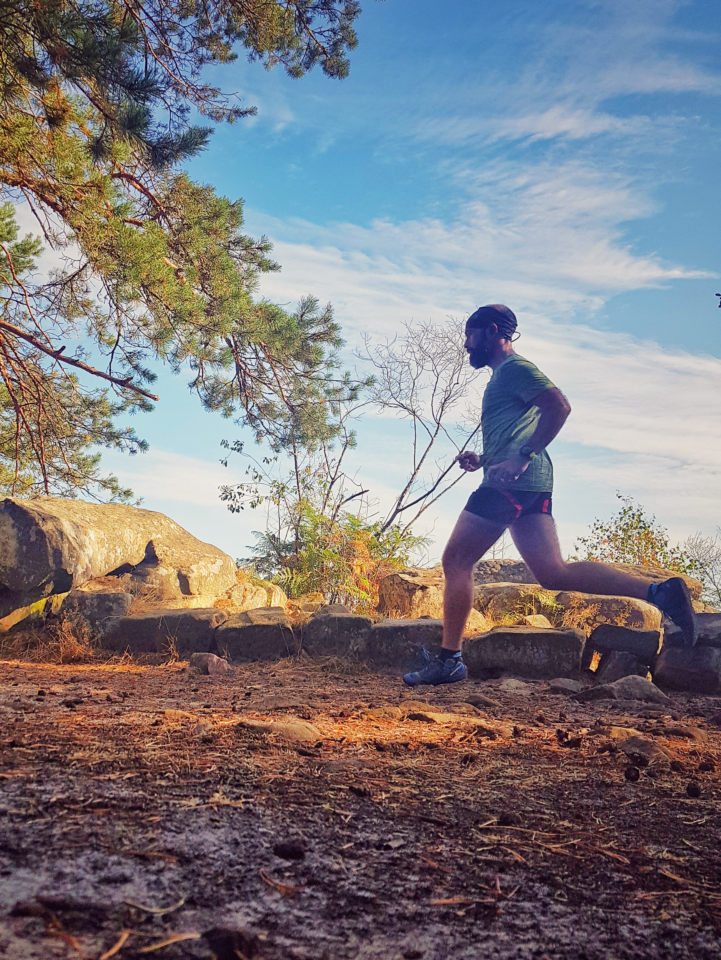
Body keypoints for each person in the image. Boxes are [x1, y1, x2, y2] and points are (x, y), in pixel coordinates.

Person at [403, 304, 697, 686]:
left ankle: (449, 660)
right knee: (552, 573)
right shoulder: (504, 376)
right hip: (528, 481)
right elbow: (522, 427)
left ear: (492, 331)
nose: (465, 344)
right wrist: (485, 458)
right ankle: (660, 592)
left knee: (456, 559)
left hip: (511, 484)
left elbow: (558, 406)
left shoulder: (515, 369)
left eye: (470, 334)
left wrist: (521, 458)